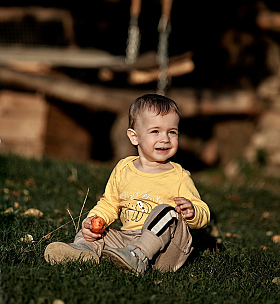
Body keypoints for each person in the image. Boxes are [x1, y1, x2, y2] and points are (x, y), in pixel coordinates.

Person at [44, 94, 210, 274]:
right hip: (127, 240)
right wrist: (92, 222)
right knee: (97, 231)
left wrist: (192, 211)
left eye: (172, 132)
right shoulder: (124, 168)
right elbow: (109, 204)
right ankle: (83, 250)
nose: (165, 138)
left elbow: (204, 213)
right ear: (134, 137)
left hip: (166, 250)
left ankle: (138, 255)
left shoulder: (179, 176)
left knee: (167, 211)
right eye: (155, 131)